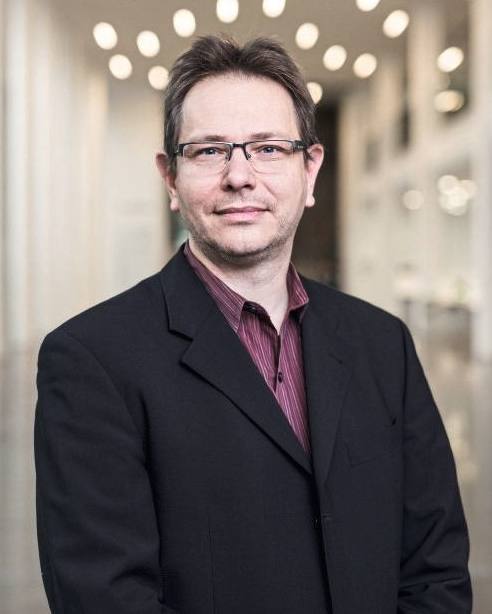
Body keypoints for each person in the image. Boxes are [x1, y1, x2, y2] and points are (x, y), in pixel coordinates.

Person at [34, 35, 472, 614]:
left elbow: (435, 567)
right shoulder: (92, 360)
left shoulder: (382, 343)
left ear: (310, 170)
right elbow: (104, 596)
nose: (240, 175)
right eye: (209, 151)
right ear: (170, 178)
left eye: (268, 148)